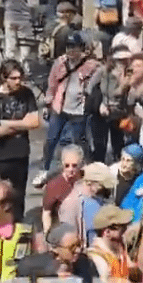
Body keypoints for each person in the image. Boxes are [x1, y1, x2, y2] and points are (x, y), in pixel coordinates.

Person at [38, 31, 100, 186]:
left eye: (75, 47)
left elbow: (101, 71)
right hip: (59, 107)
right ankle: (44, 169)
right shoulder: (60, 62)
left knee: (81, 140)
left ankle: (87, 169)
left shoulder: (90, 65)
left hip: (79, 110)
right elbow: (52, 83)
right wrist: (48, 103)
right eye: (69, 47)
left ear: (81, 48)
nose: (72, 51)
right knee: (51, 139)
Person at [0, 59, 41, 219]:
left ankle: (18, 224)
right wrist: (23, 123)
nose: (18, 82)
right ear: (4, 78)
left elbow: (35, 122)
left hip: (21, 153)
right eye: (14, 78)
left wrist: (7, 123)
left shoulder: (26, 94)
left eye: (20, 78)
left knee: (19, 195)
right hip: (0, 155)